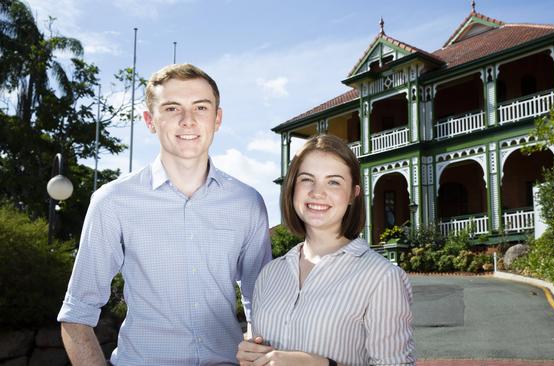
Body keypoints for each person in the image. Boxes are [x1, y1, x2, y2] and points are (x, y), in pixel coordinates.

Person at [58, 63, 272, 365]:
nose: (188, 120)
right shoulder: (112, 201)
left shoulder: (248, 203)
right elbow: (76, 314)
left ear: (217, 118)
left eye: (200, 107)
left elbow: (262, 305)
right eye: (172, 109)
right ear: (150, 120)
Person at [236, 135, 415, 366]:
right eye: (307, 179)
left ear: (353, 194)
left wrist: (318, 363)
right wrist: (252, 355)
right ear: (292, 188)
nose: (317, 192)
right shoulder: (269, 275)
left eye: (333, 182)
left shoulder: (383, 278)